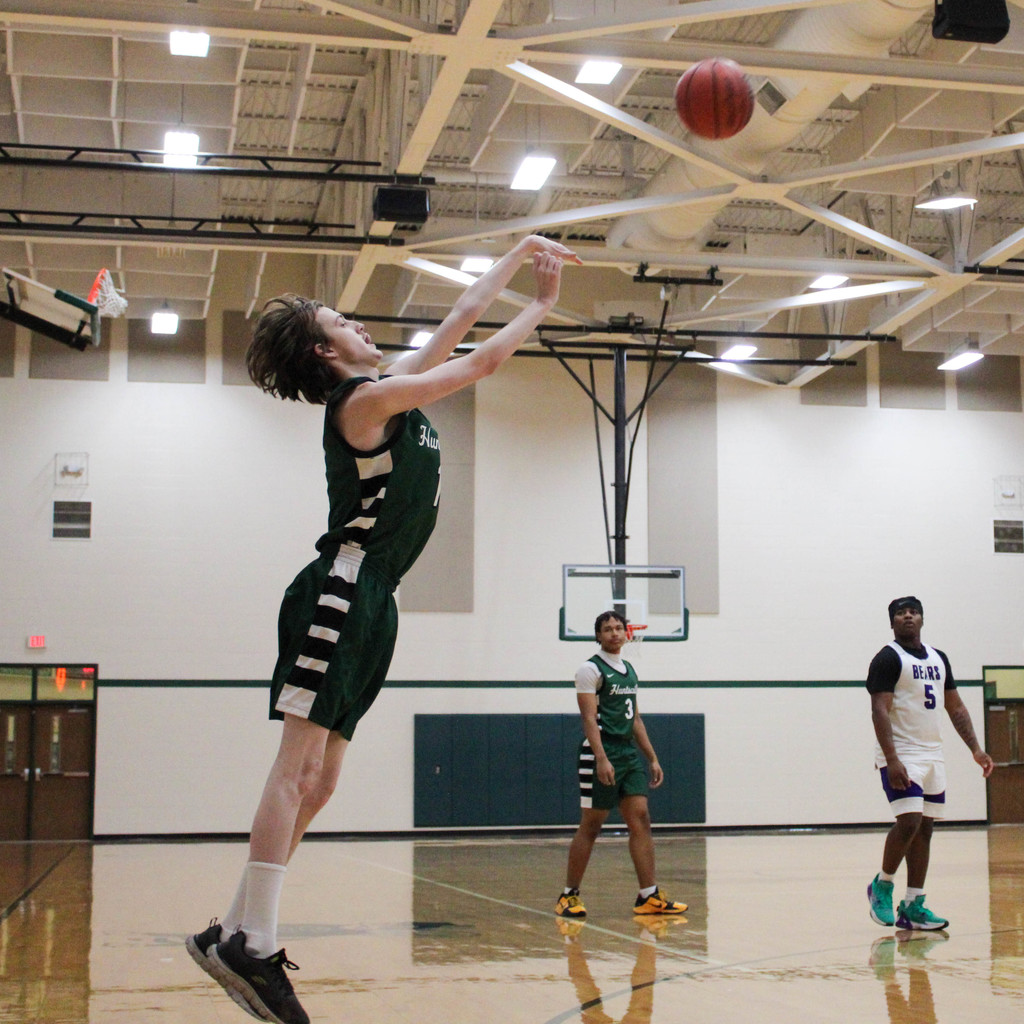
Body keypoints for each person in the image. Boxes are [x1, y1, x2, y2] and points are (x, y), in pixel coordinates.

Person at [186, 234, 581, 1024]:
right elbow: (478, 363)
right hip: (341, 588)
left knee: (323, 783)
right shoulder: (362, 403)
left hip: (379, 598)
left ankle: (232, 930)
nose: (360, 324)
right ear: (319, 350)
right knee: (296, 771)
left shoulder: (389, 387)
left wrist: (513, 254)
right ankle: (253, 942)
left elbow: (462, 319)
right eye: (342, 320)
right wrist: (538, 304)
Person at [865, 596, 993, 931]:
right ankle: (882, 884)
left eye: (913, 612)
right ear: (892, 622)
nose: (907, 616)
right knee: (909, 821)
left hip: (932, 753)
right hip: (902, 752)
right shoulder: (887, 658)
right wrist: (891, 759)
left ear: (922, 619)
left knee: (925, 830)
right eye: (900, 613)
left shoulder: (939, 658)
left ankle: (913, 905)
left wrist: (976, 750)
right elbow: (879, 709)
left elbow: (956, 707)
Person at [555, 610, 688, 921]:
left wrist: (652, 756)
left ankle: (648, 896)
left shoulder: (628, 669)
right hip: (600, 751)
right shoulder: (590, 669)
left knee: (640, 818)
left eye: (618, 628)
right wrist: (600, 757)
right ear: (598, 636)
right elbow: (588, 718)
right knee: (592, 824)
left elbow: (636, 718)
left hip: (627, 754)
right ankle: (568, 896)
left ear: (627, 633)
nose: (614, 633)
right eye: (607, 629)